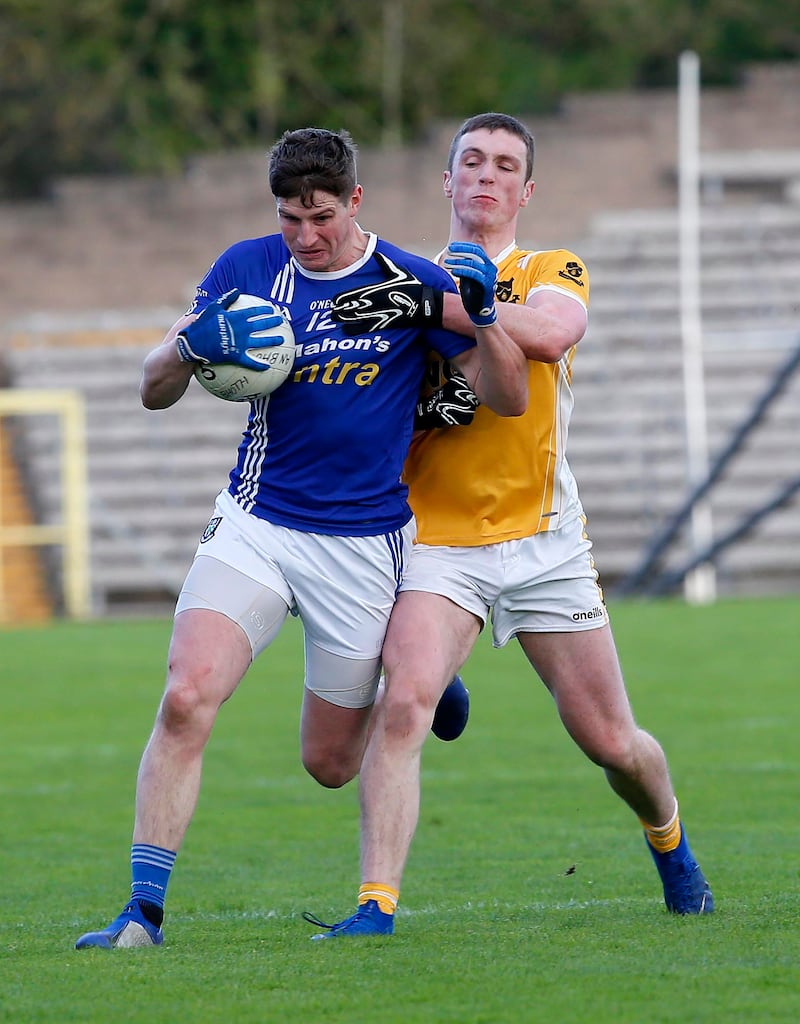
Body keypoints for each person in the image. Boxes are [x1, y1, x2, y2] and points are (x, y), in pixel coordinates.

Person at [75, 126, 527, 950]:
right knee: (184, 699)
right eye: (290, 218)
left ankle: (414, 674)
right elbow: (152, 390)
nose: (306, 236)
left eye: (321, 216)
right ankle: (141, 914)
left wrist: (487, 317)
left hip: (360, 545)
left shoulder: (411, 280)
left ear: (355, 201)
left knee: (330, 764)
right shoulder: (246, 269)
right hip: (257, 521)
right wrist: (187, 347)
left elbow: (508, 396)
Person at [307, 112, 713, 938]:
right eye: (471, 162)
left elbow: (555, 331)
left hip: (544, 541)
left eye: (503, 166)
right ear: (447, 180)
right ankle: (374, 909)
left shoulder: (548, 268)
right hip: (438, 544)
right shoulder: (402, 280)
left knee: (611, 743)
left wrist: (453, 304)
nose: (486, 176)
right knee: (404, 707)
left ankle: (670, 843)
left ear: (524, 190)